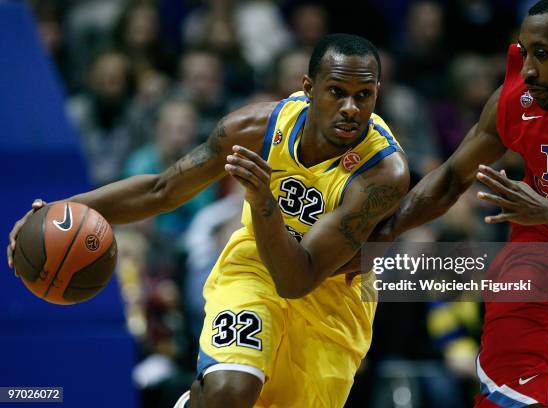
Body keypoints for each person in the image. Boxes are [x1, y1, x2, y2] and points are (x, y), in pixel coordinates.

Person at [7, 33, 409, 408]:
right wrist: (63, 210)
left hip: (330, 298)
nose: (350, 108)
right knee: (230, 391)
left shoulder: (382, 172)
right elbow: (162, 190)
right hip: (254, 271)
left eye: (364, 95)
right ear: (308, 88)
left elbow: (299, 278)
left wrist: (264, 202)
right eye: (336, 92)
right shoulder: (255, 128)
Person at [377, 0, 548, 406]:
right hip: (539, 263)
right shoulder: (519, 99)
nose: (529, 70)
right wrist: (383, 234)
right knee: (510, 399)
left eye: (542, 54)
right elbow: (451, 177)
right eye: (524, 52)